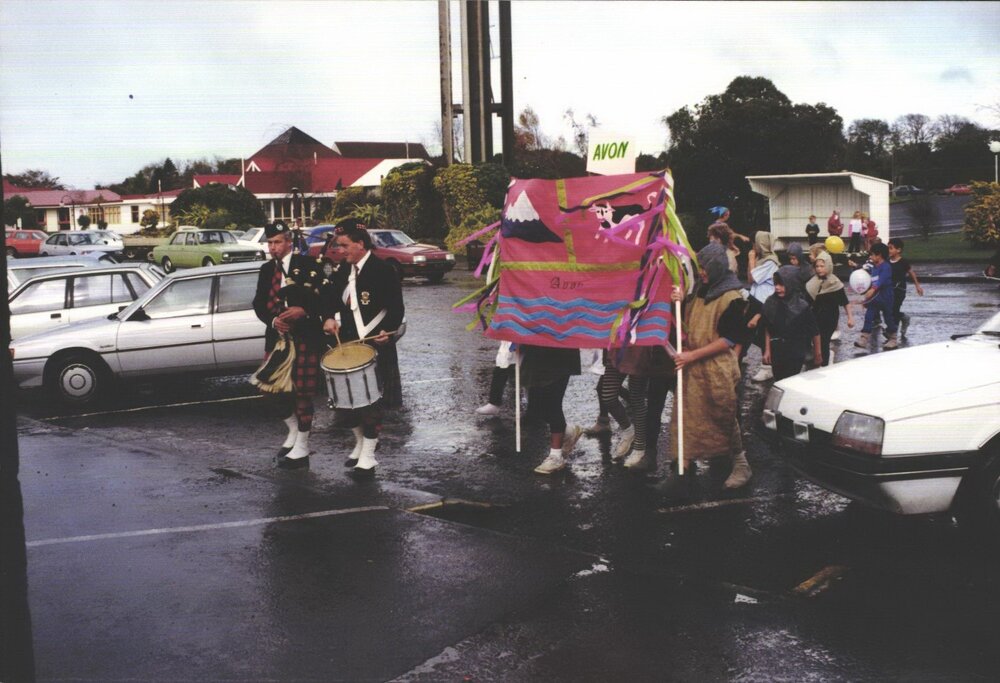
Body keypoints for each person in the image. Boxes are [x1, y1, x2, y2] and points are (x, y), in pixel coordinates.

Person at [321, 222, 405, 478]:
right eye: (338, 245)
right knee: (346, 403)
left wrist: (386, 332)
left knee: (371, 404)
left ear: (361, 244)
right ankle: (360, 444)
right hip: (348, 343)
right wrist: (328, 317)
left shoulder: (383, 270)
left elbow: (396, 308)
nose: (340, 250)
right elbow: (330, 299)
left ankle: (368, 457)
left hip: (374, 345)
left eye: (345, 245)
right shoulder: (343, 270)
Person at [669, 243, 752, 489]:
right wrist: (681, 299)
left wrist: (693, 356)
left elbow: (729, 339)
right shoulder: (702, 291)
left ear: (716, 267)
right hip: (694, 367)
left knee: (723, 417)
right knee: (690, 416)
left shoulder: (732, 297)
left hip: (717, 368)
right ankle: (681, 470)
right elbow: (691, 319)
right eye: (699, 268)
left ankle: (740, 464)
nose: (701, 272)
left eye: (704, 268)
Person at [252, 221, 326, 469]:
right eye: (270, 243)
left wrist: (303, 310)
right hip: (277, 340)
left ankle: (302, 449)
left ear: (289, 243)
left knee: (302, 393)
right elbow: (259, 304)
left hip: (304, 338)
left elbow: (325, 298)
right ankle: (294, 431)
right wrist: (273, 321)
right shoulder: (265, 270)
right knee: (269, 389)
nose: (273, 248)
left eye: (277, 242)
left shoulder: (307, 266)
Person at [521, 345, 583, 475]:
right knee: (536, 407)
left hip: (559, 352)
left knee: (553, 403)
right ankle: (567, 431)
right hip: (535, 352)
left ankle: (556, 455)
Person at [763, 266, 822, 380]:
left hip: (796, 351)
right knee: (779, 379)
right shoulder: (771, 303)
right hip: (777, 351)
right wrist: (767, 350)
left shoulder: (802, 306)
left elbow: (815, 331)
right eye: (776, 284)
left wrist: (817, 353)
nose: (777, 288)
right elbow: (768, 328)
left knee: (791, 380)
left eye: (781, 284)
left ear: (791, 284)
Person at [805, 250, 853, 365]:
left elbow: (845, 302)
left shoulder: (835, 283)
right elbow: (806, 302)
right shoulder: (812, 283)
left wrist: (850, 317)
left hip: (829, 318)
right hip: (815, 316)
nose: (819, 269)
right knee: (815, 339)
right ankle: (818, 357)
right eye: (817, 266)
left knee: (824, 340)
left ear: (829, 266)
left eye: (822, 266)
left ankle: (824, 364)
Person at [747, 231, 780, 381]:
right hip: (757, 300)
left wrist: (751, 258)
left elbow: (752, 277)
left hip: (765, 302)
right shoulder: (763, 260)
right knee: (756, 334)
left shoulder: (770, 262)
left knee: (763, 335)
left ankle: (768, 366)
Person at [854, 242, 898, 350]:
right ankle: (864, 338)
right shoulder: (874, 267)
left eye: (872, 254)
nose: (870, 257)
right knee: (869, 316)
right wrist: (865, 292)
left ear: (879, 255)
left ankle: (893, 338)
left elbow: (881, 280)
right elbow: (870, 280)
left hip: (886, 297)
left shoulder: (886, 267)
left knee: (888, 317)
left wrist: (872, 290)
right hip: (875, 298)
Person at [887, 238, 924, 337]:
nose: (889, 250)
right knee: (889, 310)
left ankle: (892, 333)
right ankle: (904, 318)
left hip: (900, 290)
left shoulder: (903, 262)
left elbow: (911, 272)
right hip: (889, 290)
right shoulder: (887, 261)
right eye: (888, 248)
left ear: (898, 250)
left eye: (891, 248)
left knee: (894, 309)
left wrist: (917, 286)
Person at [475, 341, 517, 415]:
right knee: (502, 366)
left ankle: (535, 411)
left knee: (534, 374)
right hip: (511, 339)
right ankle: (494, 402)